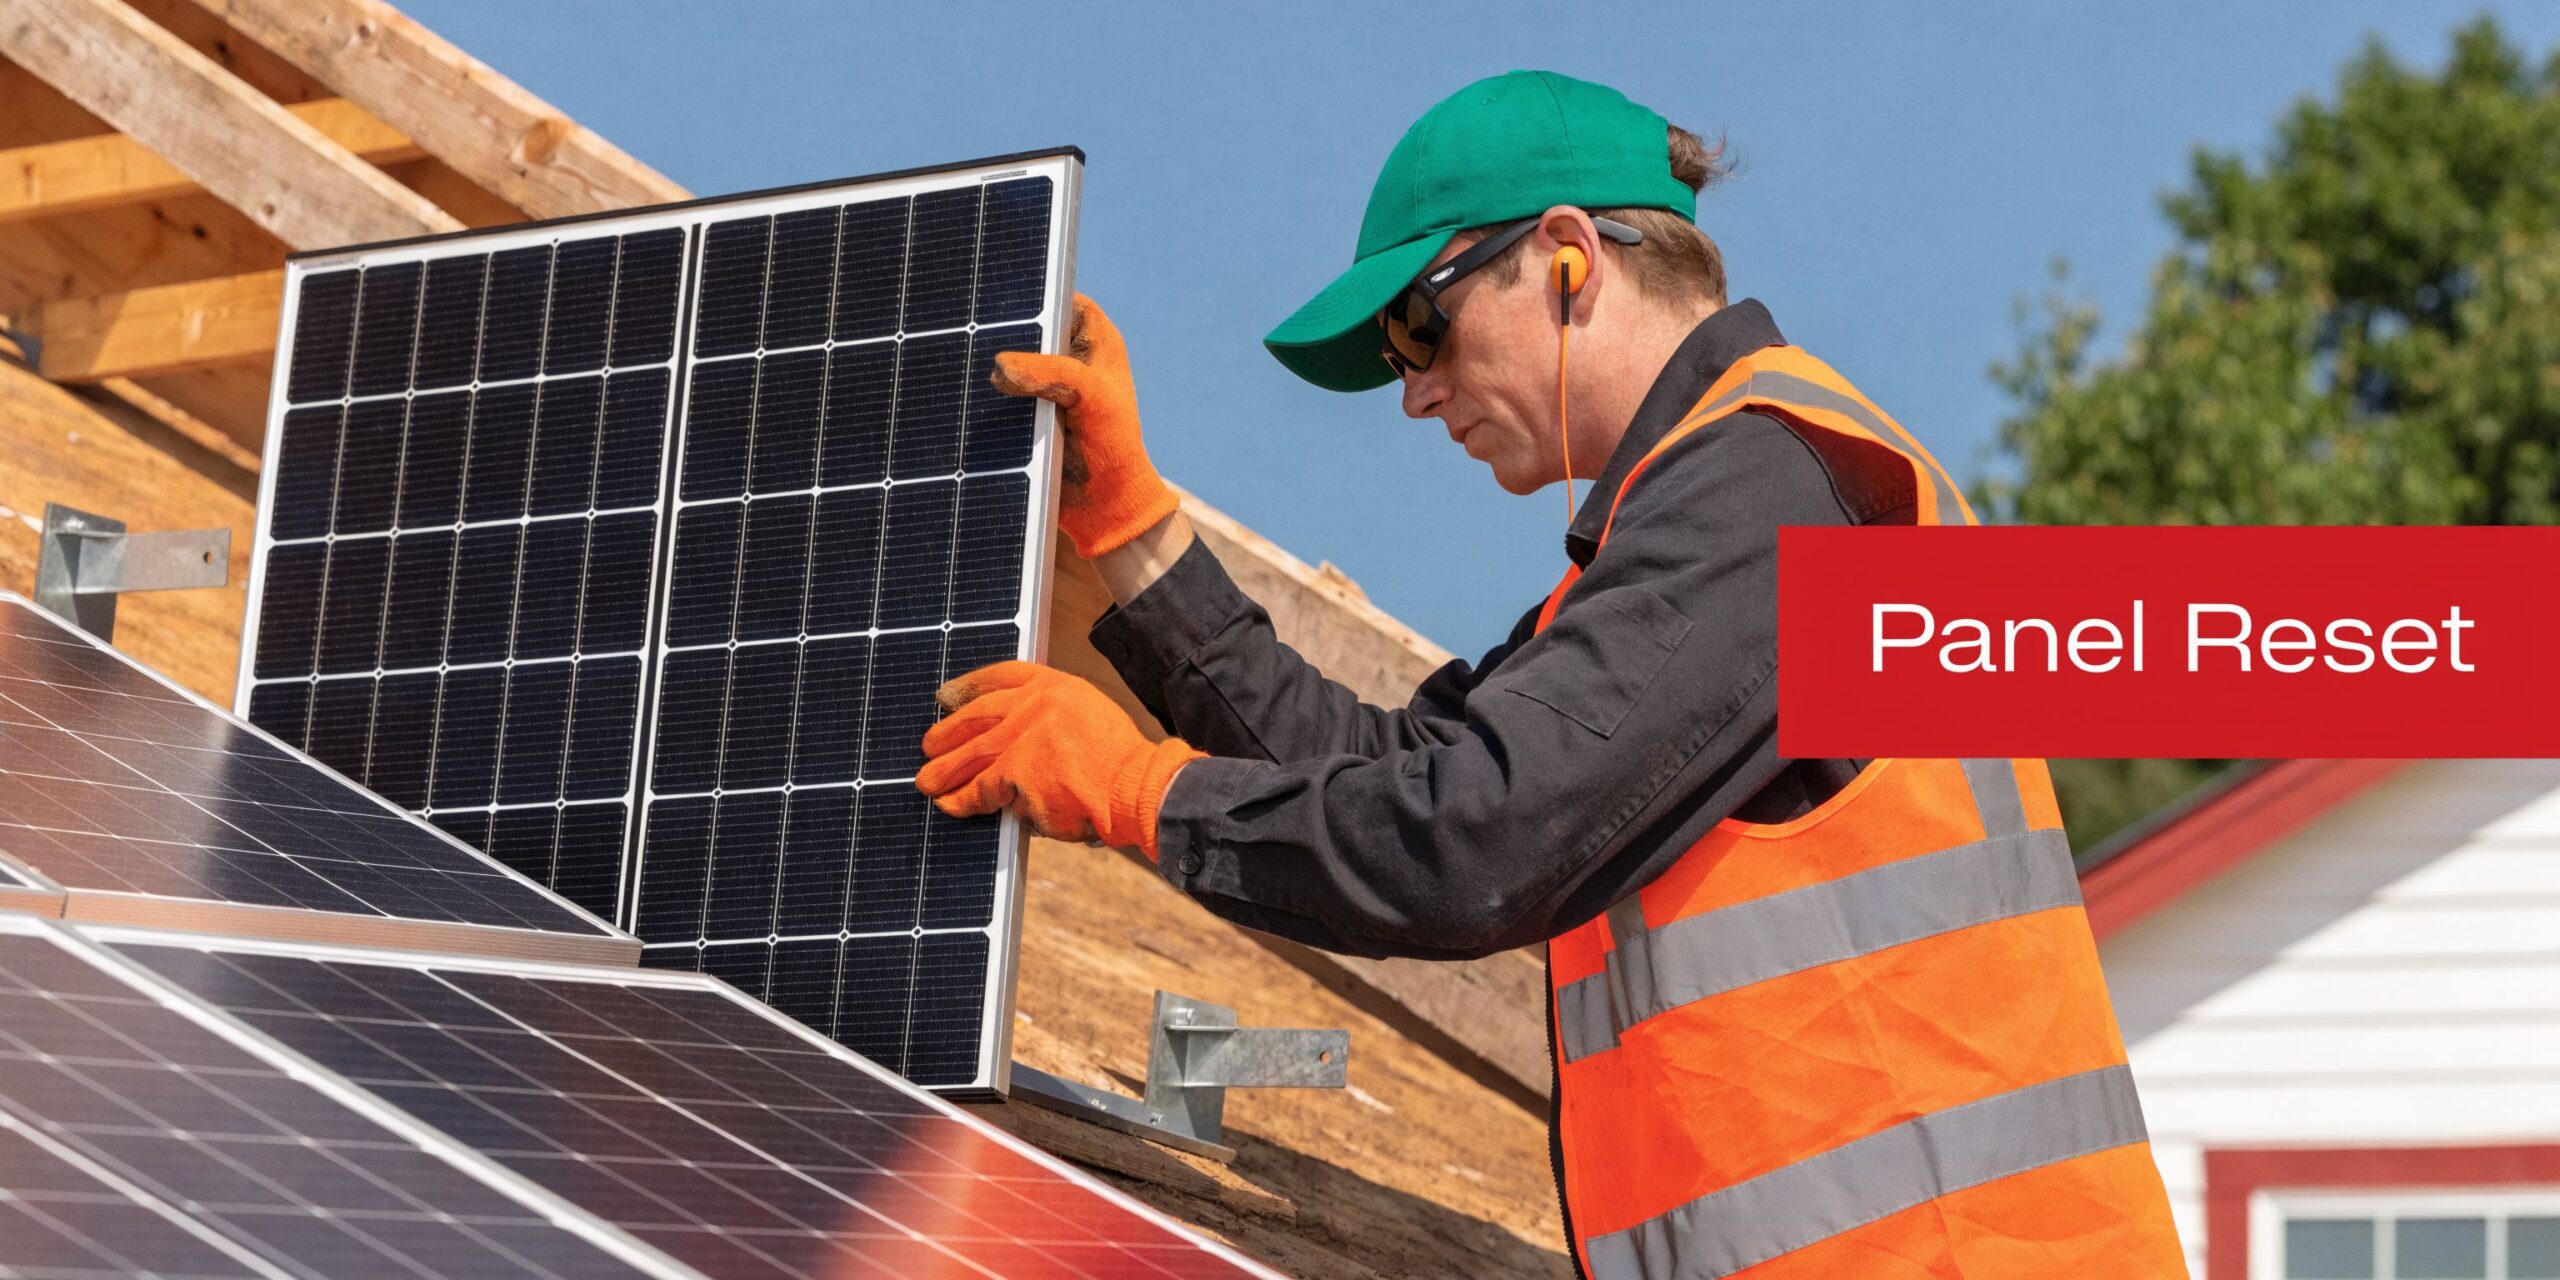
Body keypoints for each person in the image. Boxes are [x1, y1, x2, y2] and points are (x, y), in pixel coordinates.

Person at [918, 71, 2188, 1279]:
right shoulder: (1704, 517)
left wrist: (1139, 789)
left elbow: (1473, 840)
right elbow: (1405, 772)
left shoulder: (1776, 491)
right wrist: (1137, 539)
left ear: (1568, 256)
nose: (1413, 393)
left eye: (1419, 326)